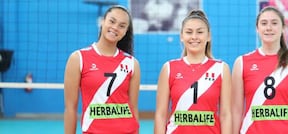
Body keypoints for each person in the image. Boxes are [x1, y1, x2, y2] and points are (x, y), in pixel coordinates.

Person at [231, 6, 288, 134]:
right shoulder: (242, 63)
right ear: (257, 29)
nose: (269, 28)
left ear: (283, 28)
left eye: (274, 23)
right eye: (264, 23)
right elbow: (236, 110)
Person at [64, 5, 140, 134]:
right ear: (102, 21)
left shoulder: (132, 63)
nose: (115, 27)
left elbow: (133, 108)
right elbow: (70, 108)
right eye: (112, 21)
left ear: (125, 31)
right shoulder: (78, 58)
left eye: (122, 26)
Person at [154, 9, 232, 134]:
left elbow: (226, 115)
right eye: (189, 32)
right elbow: (160, 115)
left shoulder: (222, 69)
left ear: (208, 36)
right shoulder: (169, 68)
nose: (194, 37)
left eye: (200, 32)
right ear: (181, 36)